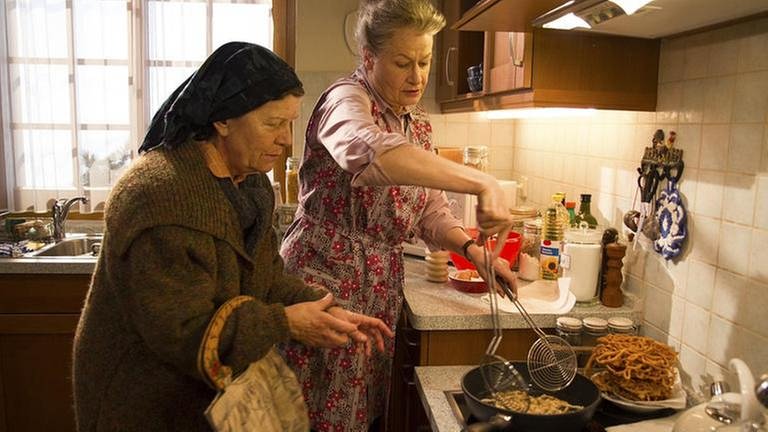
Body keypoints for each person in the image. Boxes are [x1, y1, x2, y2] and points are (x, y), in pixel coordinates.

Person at [72, 42, 392, 432]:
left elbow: (265, 277)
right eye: (273, 124)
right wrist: (285, 323)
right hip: (143, 398)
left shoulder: (250, 182)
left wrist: (322, 307)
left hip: (201, 394)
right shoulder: (160, 195)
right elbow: (183, 331)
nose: (286, 140)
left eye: (290, 123)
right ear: (223, 120)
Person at [277, 1, 518, 430]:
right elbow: (371, 154)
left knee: (362, 414)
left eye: (424, 62)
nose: (418, 76)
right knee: (315, 415)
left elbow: (427, 207)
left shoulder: (417, 122)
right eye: (403, 62)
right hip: (324, 281)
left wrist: (472, 250)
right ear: (369, 58)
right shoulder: (345, 100)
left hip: (378, 288)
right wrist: (483, 182)